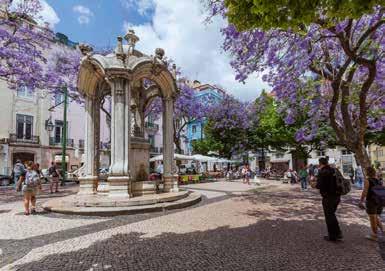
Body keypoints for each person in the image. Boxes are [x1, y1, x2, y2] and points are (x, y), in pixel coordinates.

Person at [316, 157, 343, 242]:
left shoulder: (322, 172)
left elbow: (319, 185)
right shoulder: (335, 170)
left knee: (329, 216)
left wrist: (313, 184)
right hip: (337, 195)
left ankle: (333, 235)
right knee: (332, 215)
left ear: (320, 163)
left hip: (328, 197)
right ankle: (338, 233)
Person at [359, 166, 383, 241]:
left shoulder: (367, 180)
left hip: (371, 202)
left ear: (367, 172)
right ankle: (383, 230)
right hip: (379, 201)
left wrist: (361, 201)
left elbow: (365, 192)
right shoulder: (379, 180)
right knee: (375, 217)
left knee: (372, 219)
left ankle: (374, 235)